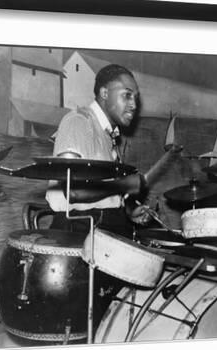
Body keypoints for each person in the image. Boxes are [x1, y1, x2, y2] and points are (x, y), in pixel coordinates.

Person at [45, 64, 151, 237]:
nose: (134, 105)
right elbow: (73, 191)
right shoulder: (78, 122)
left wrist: (128, 213)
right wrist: (124, 184)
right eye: (127, 95)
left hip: (102, 227)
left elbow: (102, 197)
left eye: (136, 98)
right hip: (78, 230)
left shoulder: (108, 135)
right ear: (104, 93)